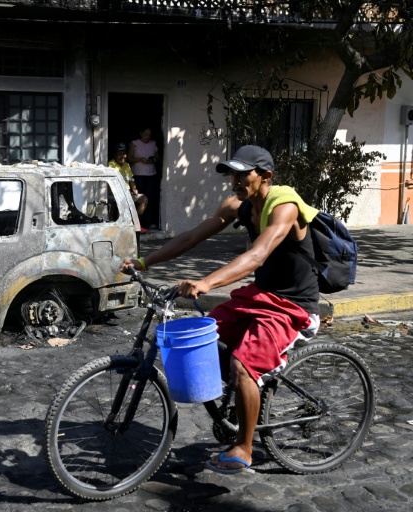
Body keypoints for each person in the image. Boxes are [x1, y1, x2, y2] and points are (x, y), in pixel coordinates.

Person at [122, 145, 321, 475]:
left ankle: (244, 447)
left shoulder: (284, 205)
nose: (235, 181)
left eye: (243, 174)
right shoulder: (239, 206)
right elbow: (191, 238)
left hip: (291, 306)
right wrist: (144, 261)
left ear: (265, 176)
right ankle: (247, 398)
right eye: (233, 173)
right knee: (207, 337)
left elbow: (257, 256)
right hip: (260, 296)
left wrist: (206, 283)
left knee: (243, 366)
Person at [109, 142, 148, 232]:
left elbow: (131, 180)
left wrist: (134, 189)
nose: (123, 156)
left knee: (144, 199)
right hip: (114, 193)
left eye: (124, 154)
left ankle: (137, 224)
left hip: (127, 193)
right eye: (119, 154)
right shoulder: (111, 164)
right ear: (115, 155)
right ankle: (121, 229)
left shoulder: (127, 165)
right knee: (122, 202)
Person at [128, 127, 159, 229]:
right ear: (141, 133)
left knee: (150, 198)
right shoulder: (135, 143)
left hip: (151, 174)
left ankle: (150, 222)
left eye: (149, 135)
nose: (147, 137)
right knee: (140, 198)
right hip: (138, 174)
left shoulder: (153, 144)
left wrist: (152, 160)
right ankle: (138, 222)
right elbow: (129, 158)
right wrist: (140, 159)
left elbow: (157, 158)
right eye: (145, 134)